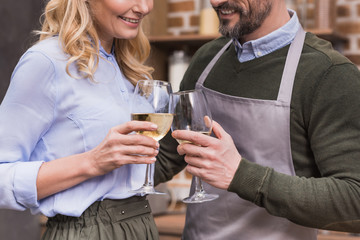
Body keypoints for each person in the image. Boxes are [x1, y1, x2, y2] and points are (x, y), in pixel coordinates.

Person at [155, 0, 360, 239]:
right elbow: (167, 155)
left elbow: (354, 198)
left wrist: (241, 175)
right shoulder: (206, 60)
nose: (215, 2)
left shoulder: (328, 73)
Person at [0, 0, 161, 239]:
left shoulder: (127, 67)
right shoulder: (46, 61)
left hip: (141, 225)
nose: (144, 7)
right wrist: (92, 162)